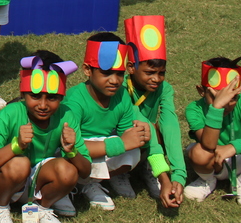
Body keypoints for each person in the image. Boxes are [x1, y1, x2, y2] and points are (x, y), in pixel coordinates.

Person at [0, 51, 91, 223]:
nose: (43, 105)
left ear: (61, 97)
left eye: (52, 98)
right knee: (20, 163)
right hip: (3, 178)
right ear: (23, 93)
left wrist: (72, 151)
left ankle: (43, 208)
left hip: (37, 179)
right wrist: (16, 146)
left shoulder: (66, 115)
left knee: (68, 171)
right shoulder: (10, 113)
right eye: (35, 96)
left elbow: (85, 171)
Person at [64, 33, 170, 214]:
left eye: (120, 73)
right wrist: (121, 143)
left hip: (102, 148)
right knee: (69, 160)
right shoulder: (74, 100)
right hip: (73, 154)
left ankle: (97, 180)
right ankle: (83, 184)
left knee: (136, 148)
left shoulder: (121, 95)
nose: (114, 80)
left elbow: (128, 134)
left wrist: (138, 135)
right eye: (106, 73)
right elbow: (71, 146)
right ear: (87, 70)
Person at [183, 55, 241, 211]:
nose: (225, 103)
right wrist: (216, 109)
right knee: (197, 152)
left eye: (232, 98)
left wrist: (233, 147)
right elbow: (208, 144)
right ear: (201, 91)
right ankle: (207, 180)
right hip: (212, 158)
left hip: (240, 157)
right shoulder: (194, 109)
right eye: (216, 97)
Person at [123, 15, 185, 207]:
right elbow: (142, 123)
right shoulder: (120, 89)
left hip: (146, 138)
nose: (157, 79)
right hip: (121, 137)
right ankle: (121, 173)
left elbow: (170, 124)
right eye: (150, 72)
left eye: (161, 73)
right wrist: (164, 177)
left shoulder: (164, 89)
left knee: (160, 129)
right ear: (131, 67)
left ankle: (147, 167)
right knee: (145, 127)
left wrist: (179, 174)